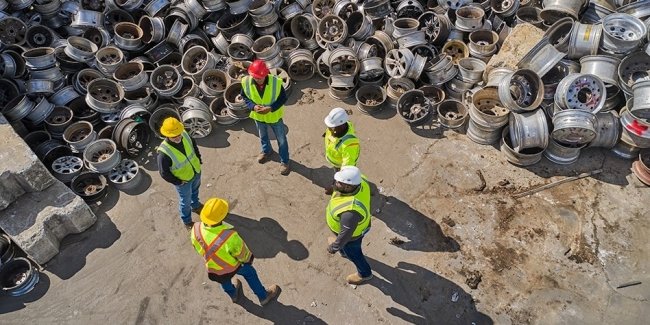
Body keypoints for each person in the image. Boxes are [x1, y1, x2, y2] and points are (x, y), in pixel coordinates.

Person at [191, 198, 280, 305]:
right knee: (250, 273)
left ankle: (233, 294)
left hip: (214, 267)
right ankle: (263, 296)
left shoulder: (195, 229)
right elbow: (242, 254)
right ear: (222, 217)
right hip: (234, 265)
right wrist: (248, 260)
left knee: (224, 280)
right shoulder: (230, 236)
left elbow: (197, 247)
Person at [241, 59, 291, 176]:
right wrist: (253, 106)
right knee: (263, 136)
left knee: (281, 140)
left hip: (274, 117)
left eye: (259, 77)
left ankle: (285, 161)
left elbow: (283, 99)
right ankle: (266, 151)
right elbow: (244, 97)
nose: (256, 79)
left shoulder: (276, 82)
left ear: (265, 74)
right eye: (254, 77)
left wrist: (271, 108)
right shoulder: (246, 82)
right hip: (258, 116)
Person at [325, 166, 373, 285]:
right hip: (347, 231)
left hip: (351, 238)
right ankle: (342, 250)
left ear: (347, 187)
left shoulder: (350, 213)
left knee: (355, 255)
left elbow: (345, 234)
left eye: (338, 183)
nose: (335, 183)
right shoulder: (360, 180)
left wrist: (334, 247)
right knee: (343, 245)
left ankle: (365, 274)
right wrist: (333, 188)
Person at [157, 117, 203, 229]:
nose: (177, 137)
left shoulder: (185, 134)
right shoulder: (163, 153)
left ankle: (196, 205)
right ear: (166, 135)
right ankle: (187, 221)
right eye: (174, 136)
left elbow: (194, 147)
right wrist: (178, 182)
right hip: (183, 181)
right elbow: (164, 173)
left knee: (195, 191)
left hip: (195, 171)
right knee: (185, 202)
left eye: (178, 134)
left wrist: (199, 159)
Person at [323, 107, 360, 194]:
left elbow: (346, 172)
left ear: (341, 125)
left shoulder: (349, 145)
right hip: (335, 161)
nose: (329, 129)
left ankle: (335, 188)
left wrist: (336, 186)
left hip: (340, 165)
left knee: (339, 178)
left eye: (332, 127)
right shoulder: (334, 129)